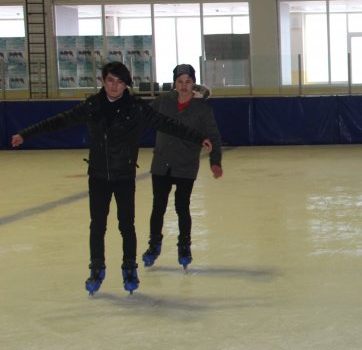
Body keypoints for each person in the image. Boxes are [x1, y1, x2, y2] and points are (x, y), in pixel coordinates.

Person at [10, 62, 212, 296]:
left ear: (126, 84)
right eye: (110, 81)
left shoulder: (136, 108)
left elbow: (168, 124)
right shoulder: (93, 106)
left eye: (119, 82)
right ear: (103, 81)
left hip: (124, 175)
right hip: (97, 176)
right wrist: (26, 134)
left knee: (126, 225)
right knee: (97, 226)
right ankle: (97, 267)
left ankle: (129, 267)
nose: (114, 86)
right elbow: (59, 121)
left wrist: (198, 137)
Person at [142, 64, 223, 271]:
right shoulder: (162, 102)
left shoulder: (202, 108)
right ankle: (154, 244)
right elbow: (142, 115)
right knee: (158, 206)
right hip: (161, 163)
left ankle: (184, 245)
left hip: (186, 164)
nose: (184, 86)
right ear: (174, 83)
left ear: (193, 83)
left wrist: (215, 161)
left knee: (182, 206)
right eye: (180, 82)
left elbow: (213, 136)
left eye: (187, 82)